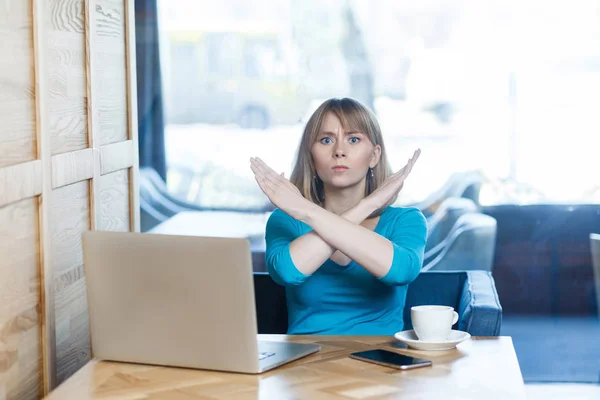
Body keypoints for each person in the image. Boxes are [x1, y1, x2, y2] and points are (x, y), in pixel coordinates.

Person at [249, 97, 426, 335]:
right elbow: (288, 272)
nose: (339, 151)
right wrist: (366, 205)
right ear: (311, 156)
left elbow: (401, 271)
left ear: (374, 156)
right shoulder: (287, 220)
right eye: (326, 140)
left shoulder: (406, 220)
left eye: (353, 139)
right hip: (305, 364)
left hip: (382, 364)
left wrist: (308, 209)